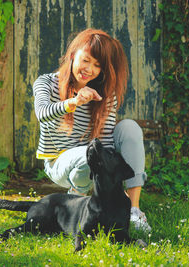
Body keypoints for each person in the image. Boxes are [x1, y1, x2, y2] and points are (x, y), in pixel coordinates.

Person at [32, 28, 151, 232]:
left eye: (97, 65)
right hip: (58, 162)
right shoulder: (46, 83)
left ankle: (133, 210)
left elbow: (105, 143)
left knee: (130, 128)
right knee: (87, 153)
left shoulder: (104, 94)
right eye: (86, 60)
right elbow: (42, 113)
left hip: (89, 156)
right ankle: (75, 202)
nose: (90, 69)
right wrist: (74, 102)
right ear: (72, 55)